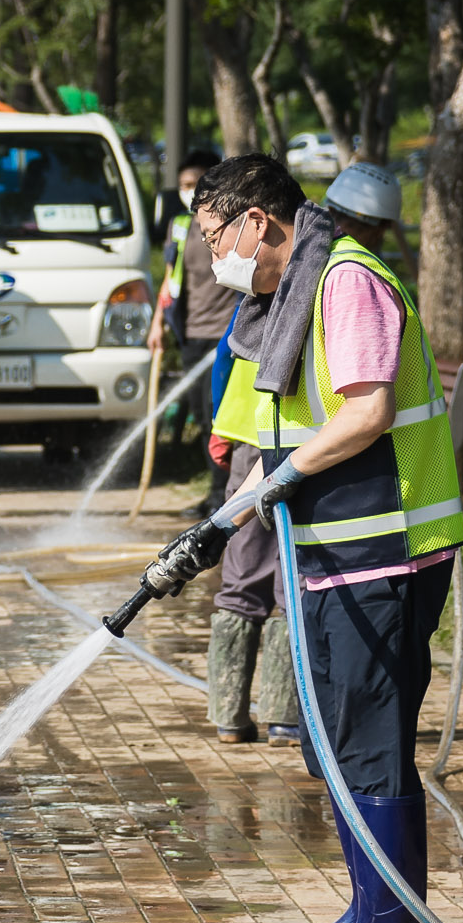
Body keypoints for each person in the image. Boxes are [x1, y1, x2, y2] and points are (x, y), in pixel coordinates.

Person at [192, 151, 463, 923]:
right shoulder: (285, 294)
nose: (214, 256)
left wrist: (279, 479)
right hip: (331, 551)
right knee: (336, 736)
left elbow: (369, 410)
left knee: (371, 736)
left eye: (216, 236)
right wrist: (222, 516)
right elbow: (260, 431)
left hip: (383, 550)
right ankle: (372, 907)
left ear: (259, 221)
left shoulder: (345, 279)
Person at [202, 302, 304, 747]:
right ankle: (284, 719)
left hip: (249, 432)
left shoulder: (261, 281)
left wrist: (220, 423)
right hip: (310, 438)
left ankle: (230, 716)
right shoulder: (331, 278)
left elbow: (227, 353)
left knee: (242, 575)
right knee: (294, 580)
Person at [146, 148, 228, 514]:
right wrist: (157, 325)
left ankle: (222, 498)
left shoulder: (232, 222)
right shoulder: (179, 226)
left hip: (228, 336)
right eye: (184, 185)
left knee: (220, 419)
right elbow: (170, 281)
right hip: (193, 335)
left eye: (197, 183)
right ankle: (215, 493)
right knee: (202, 414)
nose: (190, 191)